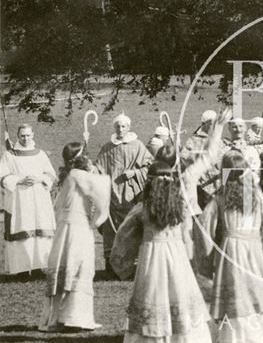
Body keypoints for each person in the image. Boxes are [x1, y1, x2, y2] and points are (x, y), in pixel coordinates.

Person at [113, 161, 212, 343]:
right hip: (177, 256)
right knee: (179, 293)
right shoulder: (180, 207)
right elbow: (187, 238)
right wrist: (192, 263)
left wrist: (122, 264)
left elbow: (123, 236)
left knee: (152, 294)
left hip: (151, 258)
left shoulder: (142, 209)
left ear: (149, 182)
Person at [200, 150, 263, 343]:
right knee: (255, 293)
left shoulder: (219, 199)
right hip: (253, 252)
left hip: (229, 252)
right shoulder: (256, 197)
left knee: (235, 293)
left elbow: (204, 231)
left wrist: (205, 264)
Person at [38, 142, 110, 332]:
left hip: (64, 228)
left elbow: (58, 206)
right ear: (82, 158)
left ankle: (59, 317)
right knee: (80, 267)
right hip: (78, 227)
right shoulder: (79, 175)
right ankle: (76, 317)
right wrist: (95, 221)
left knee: (66, 266)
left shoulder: (70, 176)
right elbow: (103, 189)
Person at [95, 112, 153, 276]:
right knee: (111, 229)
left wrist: (135, 173)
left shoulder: (138, 146)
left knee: (131, 228)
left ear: (129, 127)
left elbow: (150, 166)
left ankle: (131, 267)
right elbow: (98, 168)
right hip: (112, 195)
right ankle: (111, 268)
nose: (120, 129)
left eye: (123, 126)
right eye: (117, 126)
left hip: (130, 195)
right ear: (114, 127)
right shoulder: (107, 147)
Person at [0, 124, 56, 277]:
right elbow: (2, 176)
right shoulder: (10, 155)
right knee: (23, 231)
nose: (25, 138)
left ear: (33, 135)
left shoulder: (40, 154)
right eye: (22, 136)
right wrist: (19, 180)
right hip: (20, 200)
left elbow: (51, 174)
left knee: (39, 232)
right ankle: (23, 269)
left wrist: (39, 178)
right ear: (18, 136)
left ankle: (38, 268)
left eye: (28, 135)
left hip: (38, 198)